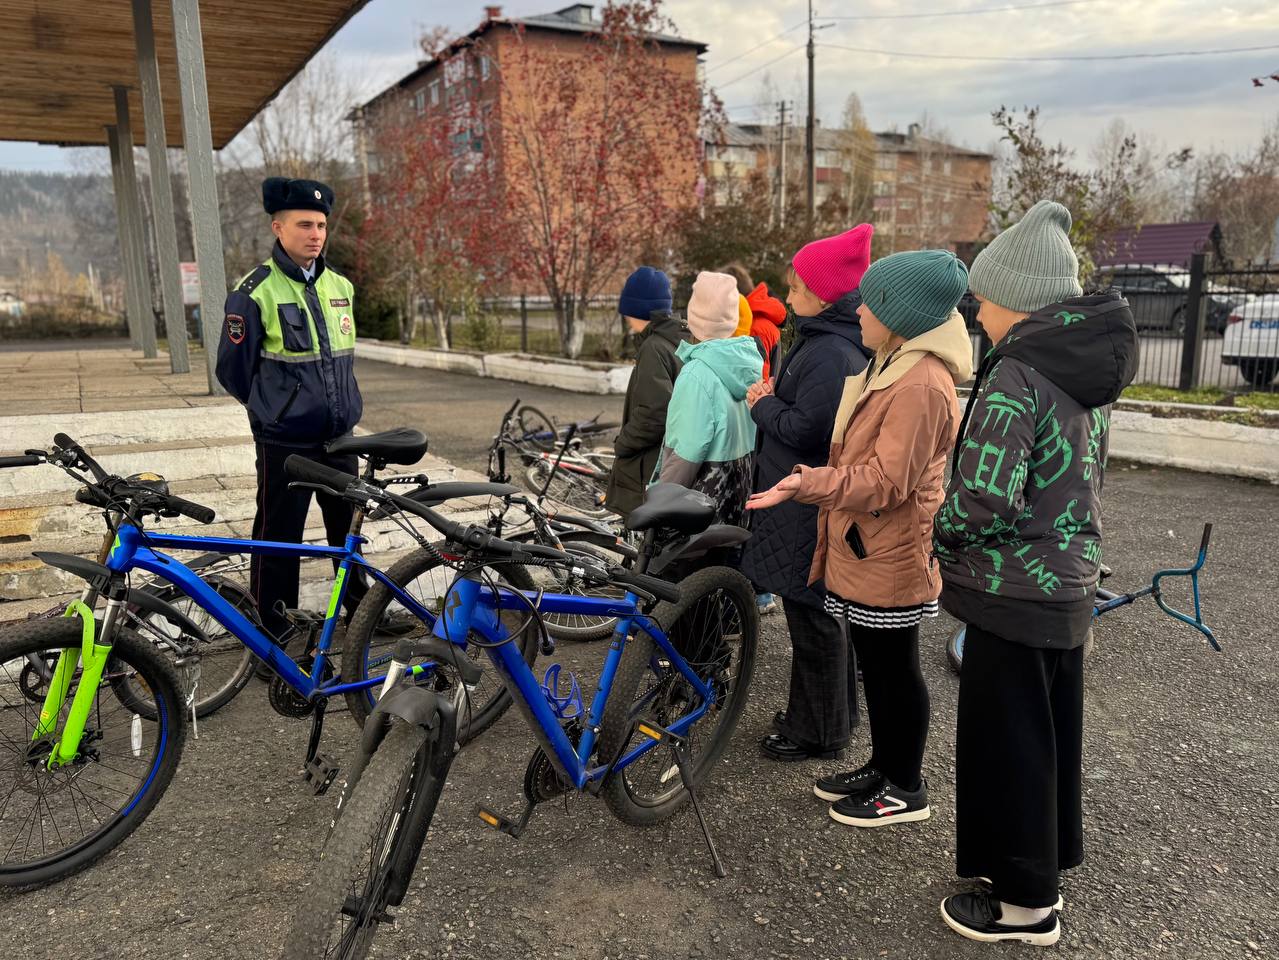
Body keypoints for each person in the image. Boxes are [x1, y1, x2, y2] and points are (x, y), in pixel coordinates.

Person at [933, 200, 1138, 946]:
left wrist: (939, 534)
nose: (977, 312)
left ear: (1014, 299)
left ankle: (1024, 906)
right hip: (1066, 582)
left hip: (1010, 589)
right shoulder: (1081, 372)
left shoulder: (1015, 371)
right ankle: (1035, 872)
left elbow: (985, 496)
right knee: (1045, 738)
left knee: (1008, 743)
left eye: (983, 298)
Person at [748, 249, 973, 828]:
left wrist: (805, 484)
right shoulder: (892, 362)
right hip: (870, 546)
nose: (860, 310)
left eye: (872, 302)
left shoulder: (921, 382)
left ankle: (906, 786)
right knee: (879, 664)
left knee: (896, 670)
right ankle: (884, 765)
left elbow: (885, 482)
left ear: (898, 314)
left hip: (891, 551)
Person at [739, 224, 875, 762]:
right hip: (801, 499)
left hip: (804, 501)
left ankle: (817, 731)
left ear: (823, 294)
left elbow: (805, 430)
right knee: (818, 617)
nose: (788, 297)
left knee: (813, 621)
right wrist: (778, 398)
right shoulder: (827, 341)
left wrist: (761, 404)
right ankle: (827, 718)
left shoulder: (829, 352)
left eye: (796, 290)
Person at [216, 177, 365, 647]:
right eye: (305, 224)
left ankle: (362, 612)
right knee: (280, 536)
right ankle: (272, 628)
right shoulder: (253, 291)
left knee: (349, 528)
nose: (316, 233)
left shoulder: (340, 285)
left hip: (340, 438)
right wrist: (272, 410)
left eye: (321, 224)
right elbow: (233, 370)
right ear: (278, 228)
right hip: (286, 442)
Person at [654, 271, 762, 530]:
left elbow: (685, 453)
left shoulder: (696, 374)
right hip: (734, 502)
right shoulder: (747, 366)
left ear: (693, 317)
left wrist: (658, 507)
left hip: (698, 507)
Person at [605, 267, 687, 520]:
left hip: (646, 466)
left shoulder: (653, 348)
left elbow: (654, 414)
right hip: (666, 459)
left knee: (640, 542)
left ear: (637, 310)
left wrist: (623, 444)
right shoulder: (678, 340)